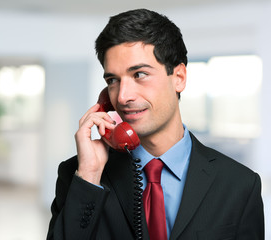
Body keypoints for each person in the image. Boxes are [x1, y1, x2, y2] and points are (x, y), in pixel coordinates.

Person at [46, 9, 264, 240]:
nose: (122, 97)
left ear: (179, 78)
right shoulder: (78, 176)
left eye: (139, 74)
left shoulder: (240, 184)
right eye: (113, 80)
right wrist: (90, 175)